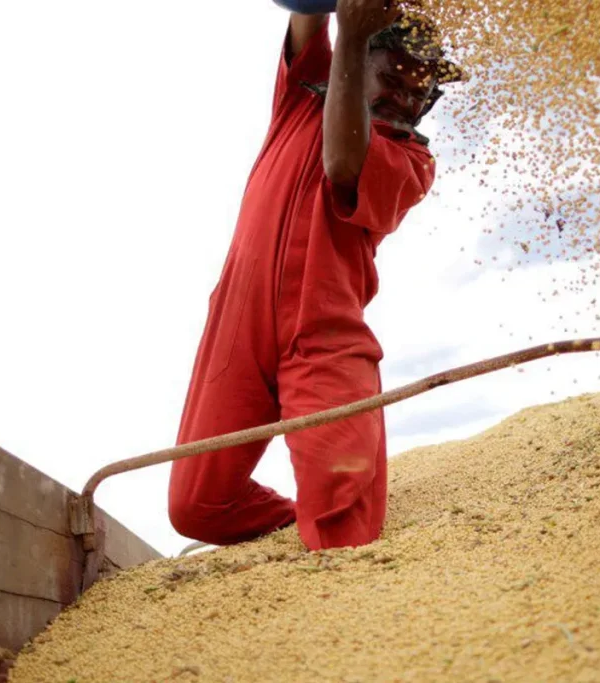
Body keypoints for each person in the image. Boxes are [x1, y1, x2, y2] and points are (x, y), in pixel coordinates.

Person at [167, 0, 464, 551]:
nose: (408, 95)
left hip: (324, 338)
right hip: (236, 326)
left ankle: (329, 554)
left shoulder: (411, 162)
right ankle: (295, 528)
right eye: (395, 75)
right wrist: (345, 22)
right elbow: (307, 15)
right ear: (365, 59)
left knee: (344, 528)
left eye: (421, 89)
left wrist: (352, 37)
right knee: (197, 507)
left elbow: (342, 163)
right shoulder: (301, 96)